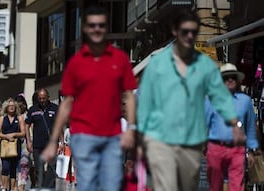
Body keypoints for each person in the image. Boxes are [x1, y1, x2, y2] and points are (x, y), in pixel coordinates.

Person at [137, 10, 245, 191]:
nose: (189, 36)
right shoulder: (158, 64)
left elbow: (220, 97)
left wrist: (236, 124)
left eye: (193, 32)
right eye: (184, 31)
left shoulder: (204, 65)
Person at [42, 6, 138, 191]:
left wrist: (131, 128)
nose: (97, 29)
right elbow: (66, 104)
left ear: (106, 28)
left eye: (101, 25)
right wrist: (55, 140)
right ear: (85, 28)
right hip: (83, 136)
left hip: (112, 137)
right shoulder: (76, 63)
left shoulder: (120, 59)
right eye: (92, 25)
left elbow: (129, 96)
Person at [205, 63, 259, 191]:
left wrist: (252, 150)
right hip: (215, 148)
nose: (230, 80)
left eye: (233, 77)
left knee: (237, 186)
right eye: (226, 77)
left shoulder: (245, 101)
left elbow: (250, 127)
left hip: (237, 149)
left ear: (237, 80)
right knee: (215, 186)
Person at [25, 89, 59, 188]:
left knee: (52, 168)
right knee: (38, 168)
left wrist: (61, 142)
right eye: (40, 98)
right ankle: (40, 187)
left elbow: (58, 126)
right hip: (37, 144)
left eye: (43, 98)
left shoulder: (55, 108)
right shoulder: (33, 109)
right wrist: (28, 141)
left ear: (48, 97)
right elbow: (27, 125)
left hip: (51, 144)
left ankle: (50, 188)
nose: (42, 100)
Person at [0, 98, 26, 191]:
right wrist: (6, 136)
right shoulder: (2, 118)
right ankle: (4, 187)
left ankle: (12, 187)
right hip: (5, 145)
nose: (11, 107)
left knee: (13, 167)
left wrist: (14, 134)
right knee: (5, 166)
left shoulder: (19, 118)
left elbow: (23, 133)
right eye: (10, 106)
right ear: (6, 107)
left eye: (13, 106)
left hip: (16, 145)